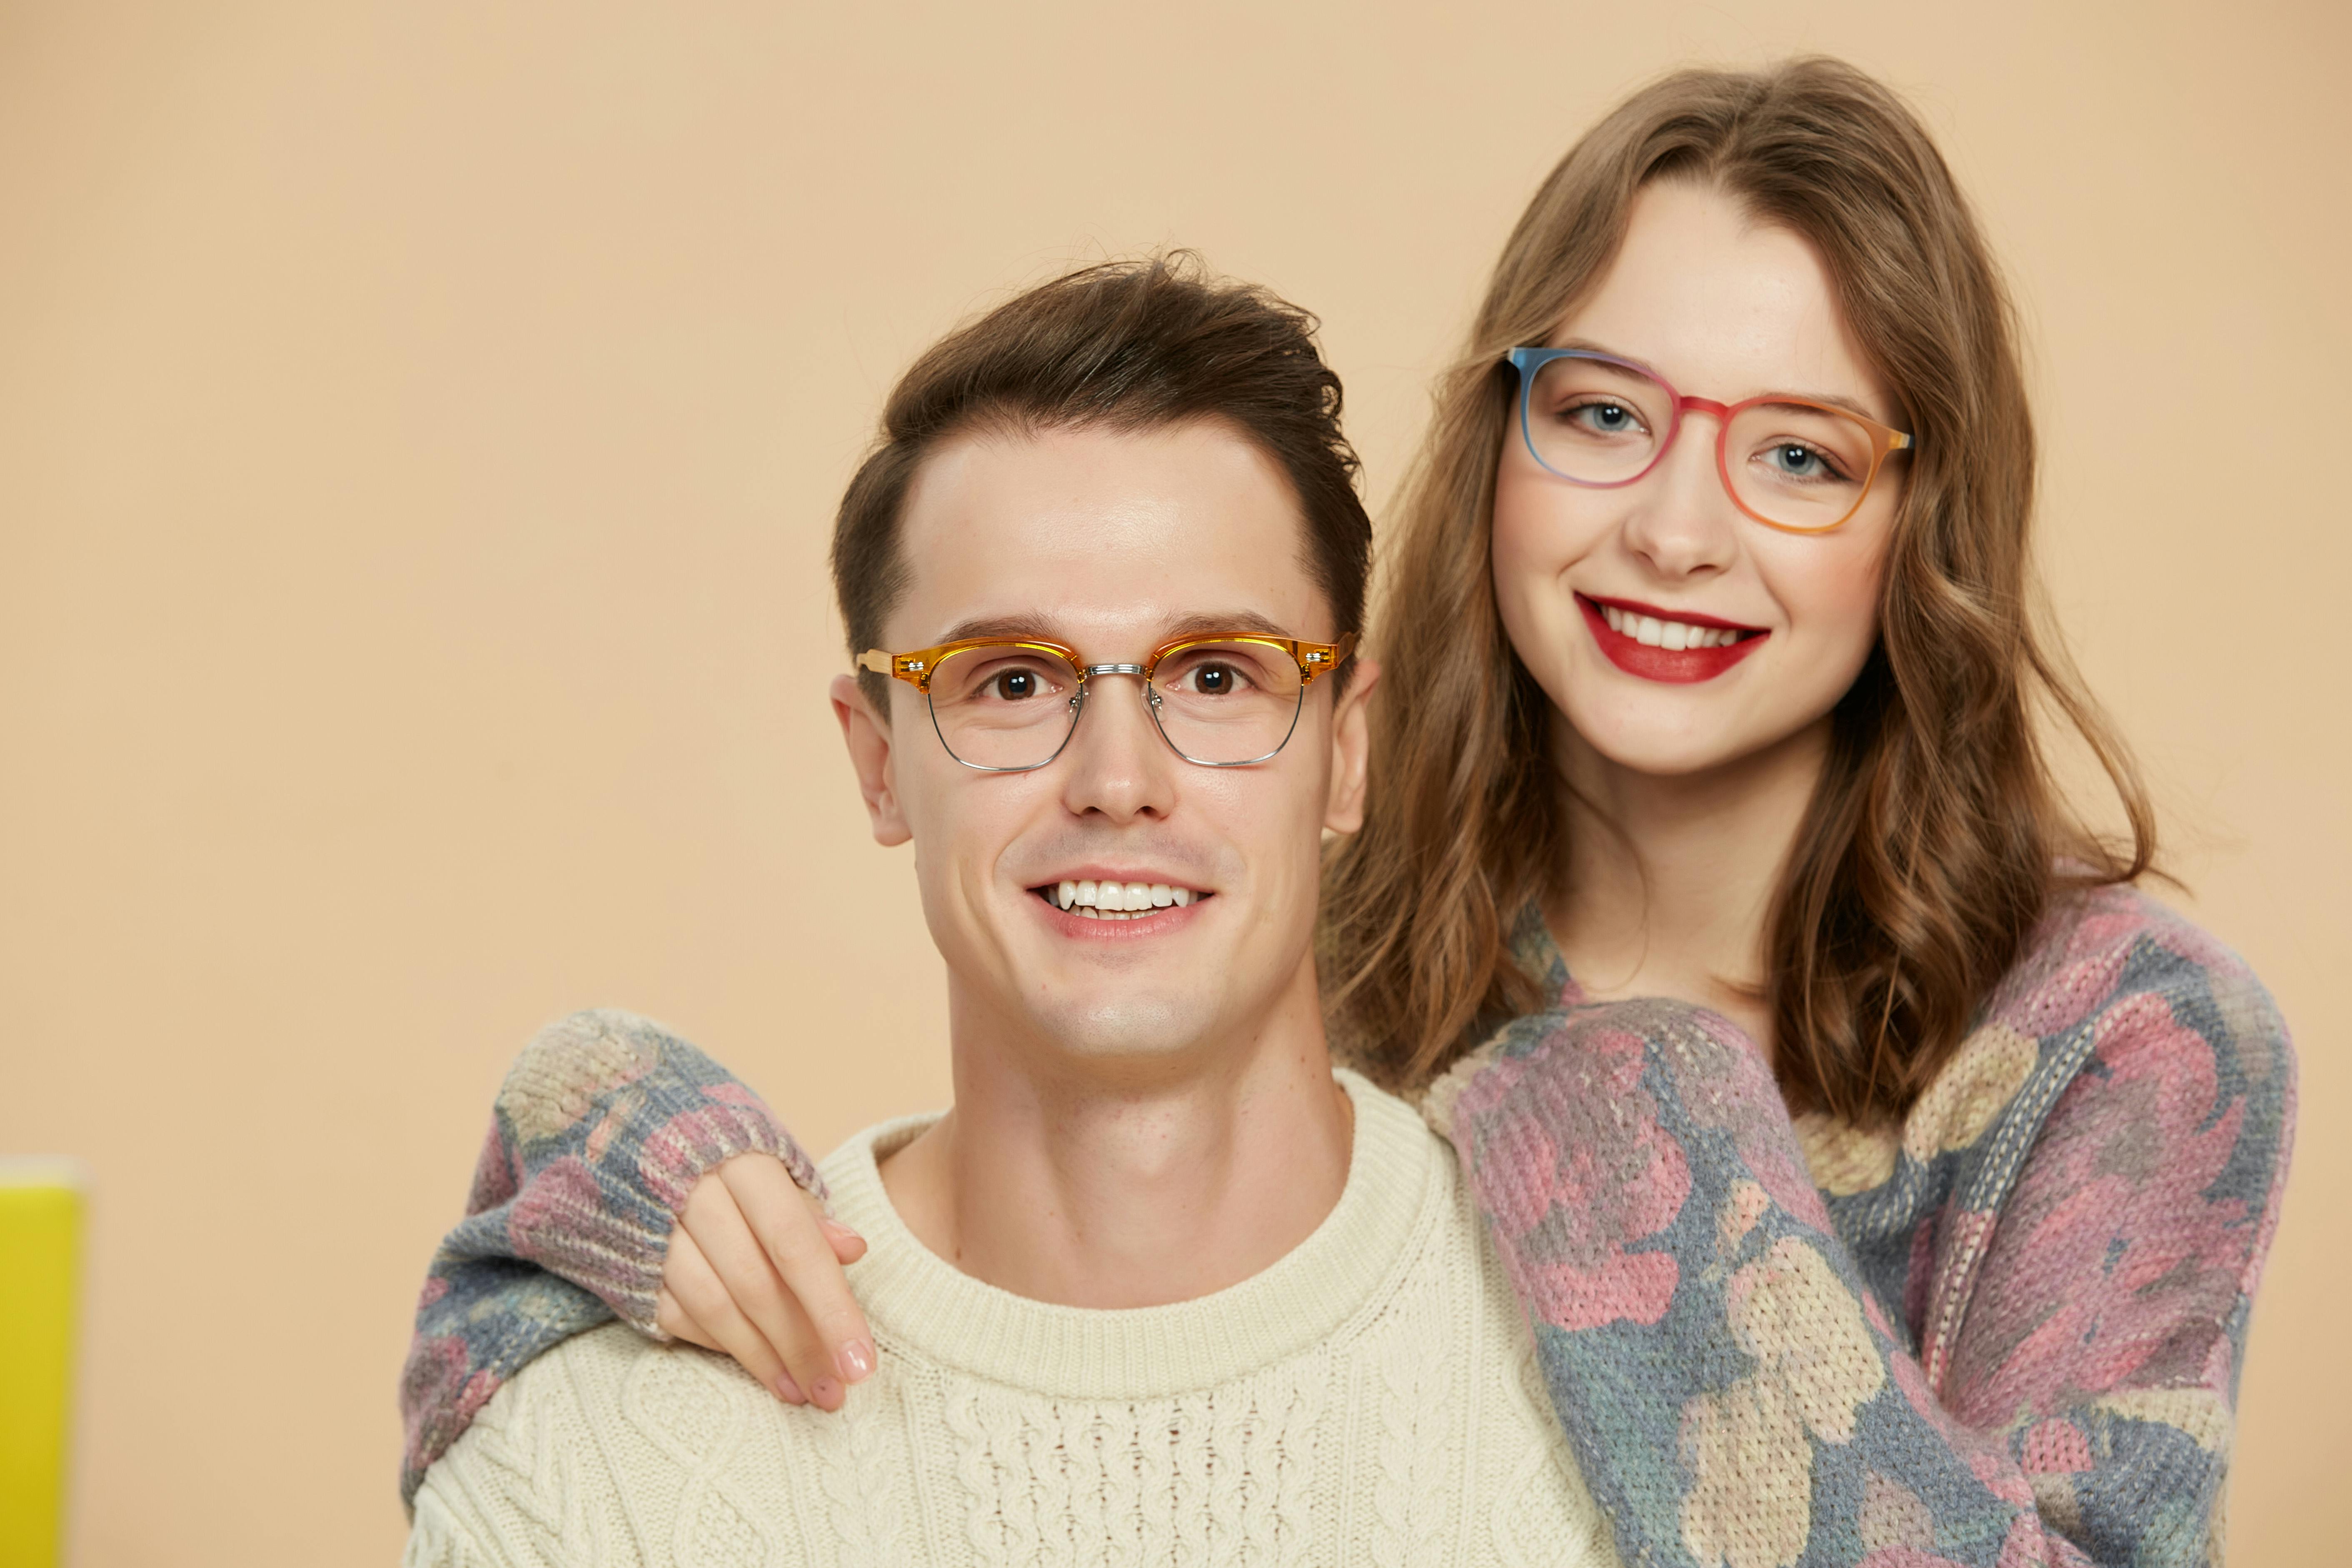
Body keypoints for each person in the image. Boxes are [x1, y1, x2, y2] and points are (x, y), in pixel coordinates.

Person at [404, 58, 2294, 1568]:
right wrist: (594, 1120)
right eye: (1605, 414)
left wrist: (1656, 1146)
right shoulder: (1314, 906)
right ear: (1499, 438)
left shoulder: (2118, 1042)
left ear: (1920, 524)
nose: (1675, 529)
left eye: (1798, 455)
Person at [402, 257, 1619, 1565]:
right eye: (1013, 682)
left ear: (1348, 751)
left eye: (1217, 674)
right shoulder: (586, 1466)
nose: (1118, 780)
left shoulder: (1637, 1356)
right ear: (879, 759)